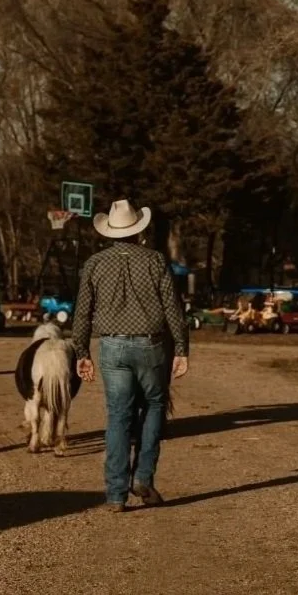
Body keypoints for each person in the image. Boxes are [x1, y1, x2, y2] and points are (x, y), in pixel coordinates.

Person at [72, 199, 189, 512]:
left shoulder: (94, 264)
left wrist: (81, 351)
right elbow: (172, 308)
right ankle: (144, 476)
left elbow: (82, 313)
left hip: (112, 347)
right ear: (140, 231)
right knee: (154, 405)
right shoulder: (155, 261)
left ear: (109, 231)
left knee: (118, 415)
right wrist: (181, 348)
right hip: (151, 345)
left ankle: (115, 494)